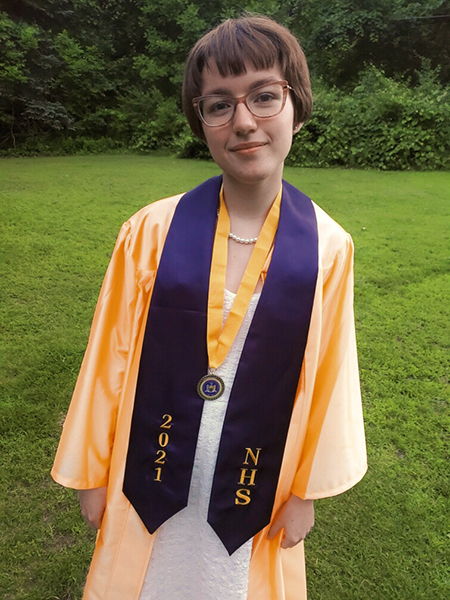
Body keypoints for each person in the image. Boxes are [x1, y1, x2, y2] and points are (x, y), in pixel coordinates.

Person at [52, 15, 367, 600]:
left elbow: (330, 375)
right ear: (201, 122)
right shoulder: (150, 231)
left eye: (264, 96)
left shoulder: (328, 247)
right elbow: (107, 359)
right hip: (147, 474)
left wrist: (304, 494)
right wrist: (92, 474)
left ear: (297, 104)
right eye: (218, 105)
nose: (244, 121)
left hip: (256, 485)